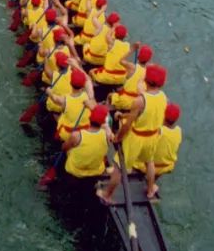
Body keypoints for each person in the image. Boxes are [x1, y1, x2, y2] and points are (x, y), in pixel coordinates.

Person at [101, 63, 168, 202]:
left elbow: (129, 125)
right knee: (149, 162)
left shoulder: (139, 101)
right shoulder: (163, 97)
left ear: (146, 80)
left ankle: (107, 195)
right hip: (152, 137)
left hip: (137, 138)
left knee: (119, 167)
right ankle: (150, 190)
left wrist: (118, 137)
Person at [62, 104, 113, 180]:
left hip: (76, 171)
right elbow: (108, 129)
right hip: (95, 171)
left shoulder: (76, 135)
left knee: (69, 150)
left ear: (89, 118)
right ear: (103, 123)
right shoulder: (108, 135)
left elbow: (63, 148)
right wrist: (105, 125)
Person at [133, 103, 182, 178]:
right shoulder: (179, 131)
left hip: (148, 166)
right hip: (166, 166)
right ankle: (153, 180)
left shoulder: (159, 130)